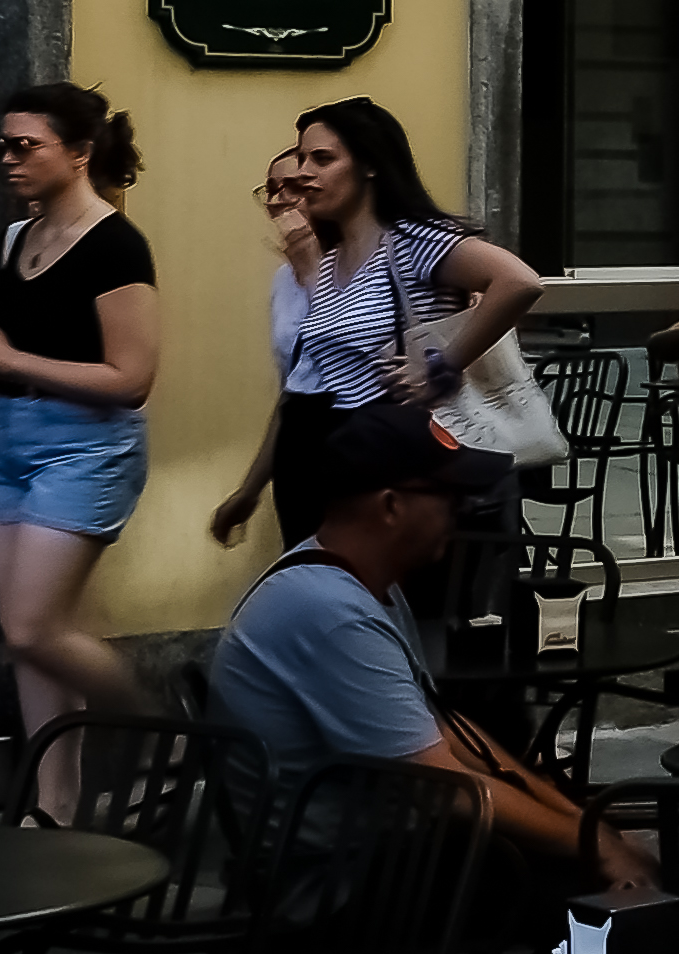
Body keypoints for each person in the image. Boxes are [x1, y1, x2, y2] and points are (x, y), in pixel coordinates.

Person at [204, 404, 658, 941]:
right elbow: (443, 786)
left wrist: (589, 825)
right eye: (448, 496)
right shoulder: (328, 610)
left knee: (583, 866)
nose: (464, 510)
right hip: (333, 888)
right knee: (604, 909)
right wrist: (594, 845)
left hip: (377, 854)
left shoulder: (364, 585)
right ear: (392, 505)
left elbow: (448, 735)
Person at [209, 101, 544, 640]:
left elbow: (520, 282)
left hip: (406, 468)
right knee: (348, 619)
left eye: (322, 158)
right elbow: (306, 384)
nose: (303, 173)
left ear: (368, 163)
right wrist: (252, 489)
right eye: (301, 158)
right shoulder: (336, 256)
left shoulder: (412, 240)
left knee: (411, 627)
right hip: (347, 463)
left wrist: (444, 365)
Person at [0, 83, 160, 815]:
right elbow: (22, 344)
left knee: (33, 627)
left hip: (84, 446)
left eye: (24, 145)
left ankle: (158, 727)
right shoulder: (18, 236)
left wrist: (12, 362)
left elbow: (131, 378)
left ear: (78, 152)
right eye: (0, 145)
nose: (7, 159)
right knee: (29, 638)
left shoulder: (116, 245)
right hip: (6, 437)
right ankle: (54, 807)